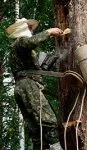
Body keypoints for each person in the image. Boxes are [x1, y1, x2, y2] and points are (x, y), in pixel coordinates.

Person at [6, 18, 63, 150]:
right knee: (48, 119)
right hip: (27, 85)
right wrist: (49, 32)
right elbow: (31, 42)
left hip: (22, 86)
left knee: (35, 128)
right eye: (30, 28)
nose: (32, 30)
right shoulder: (20, 43)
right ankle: (56, 147)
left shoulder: (19, 48)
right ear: (23, 29)